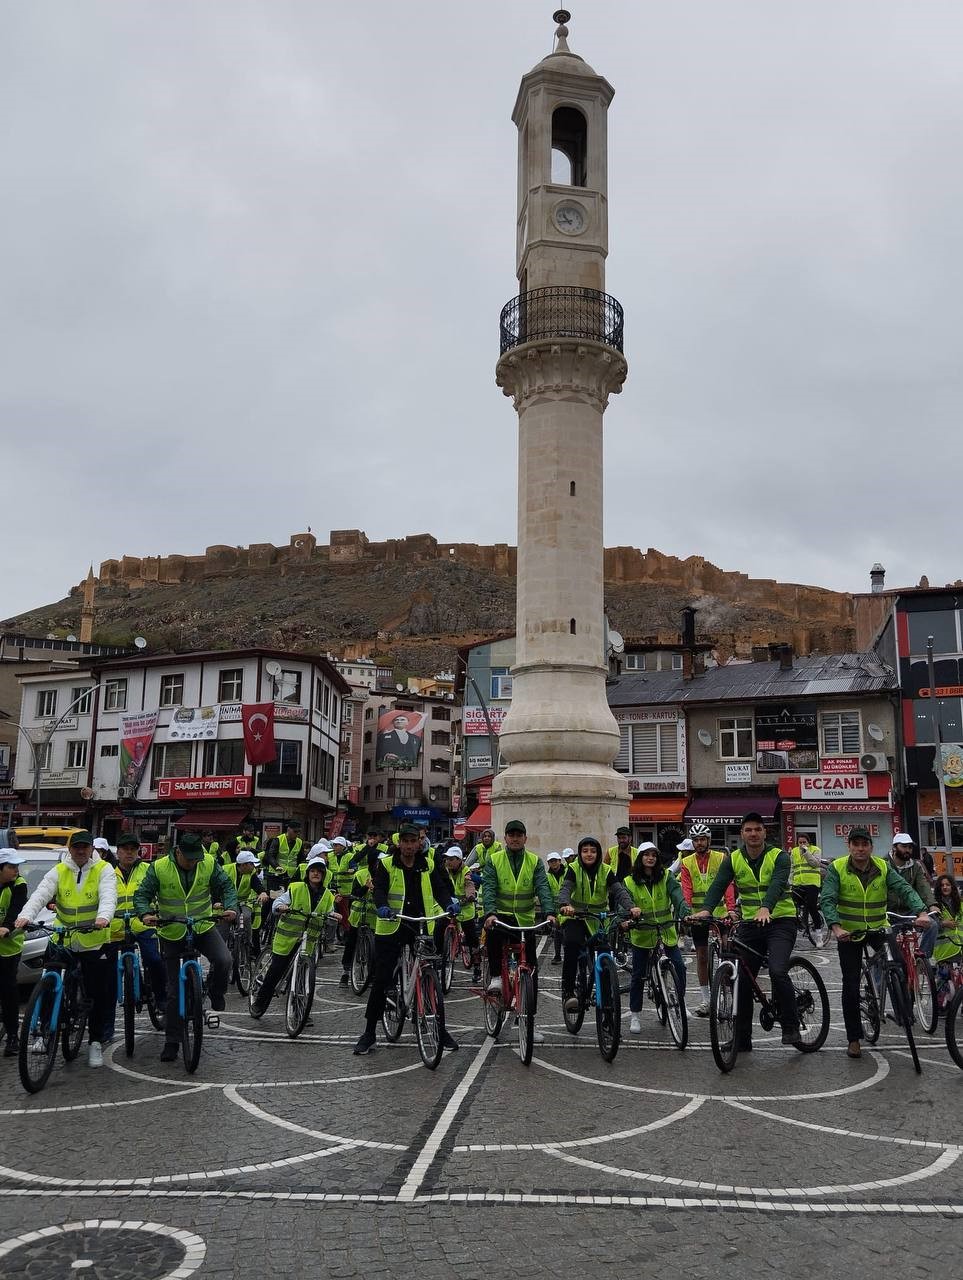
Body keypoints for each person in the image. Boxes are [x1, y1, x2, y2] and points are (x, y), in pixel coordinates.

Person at [693, 812, 801, 1050]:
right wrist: (706, 910)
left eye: (758, 829)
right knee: (741, 979)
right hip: (752, 924)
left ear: (765, 832)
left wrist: (766, 907)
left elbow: (777, 884)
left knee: (777, 970)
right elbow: (719, 884)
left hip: (781, 920)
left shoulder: (779, 856)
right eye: (748, 830)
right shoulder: (734, 859)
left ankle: (791, 1026)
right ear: (742, 834)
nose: (753, 834)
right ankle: (742, 1039)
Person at [820, 827, 929, 1058]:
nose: (860, 849)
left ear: (871, 846)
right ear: (848, 846)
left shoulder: (882, 866)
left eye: (865, 844)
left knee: (898, 966)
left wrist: (921, 911)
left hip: (879, 928)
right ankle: (854, 1038)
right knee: (850, 984)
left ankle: (904, 1013)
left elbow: (904, 888)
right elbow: (827, 899)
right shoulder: (837, 868)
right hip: (849, 933)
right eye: (856, 844)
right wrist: (836, 927)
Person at [353, 823, 458, 1056]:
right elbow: (379, 890)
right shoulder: (387, 863)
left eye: (414, 841)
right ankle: (369, 1033)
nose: (410, 846)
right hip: (392, 925)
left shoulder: (428, 864)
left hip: (420, 923)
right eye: (406, 841)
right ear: (399, 843)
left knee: (430, 973)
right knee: (381, 979)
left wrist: (448, 903)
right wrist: (381, 906)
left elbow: (439, 888)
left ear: (419, 843)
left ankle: (438, 1028)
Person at [15, 830, 117, 1068]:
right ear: (70, 849)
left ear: (92, 849)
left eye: (85, 847)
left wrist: (103, 916)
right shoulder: (59, 870)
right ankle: (42, 1032)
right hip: (63, 938)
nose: (80, 851)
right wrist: (24, 917)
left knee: (97, 993)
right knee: (48, 982)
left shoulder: (104, 870)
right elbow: (40, 895)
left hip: (94, 938)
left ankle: (94, 1042)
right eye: (76, 847)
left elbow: (108, 896)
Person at [135, 832, 238, 1062]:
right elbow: (142, 895)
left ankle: (215, 992)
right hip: (172, 930)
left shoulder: (208, 862)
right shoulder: (159, 867)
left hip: (202, 925)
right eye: (189, 858)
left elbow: (227, 887)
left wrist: (231, 907)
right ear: (178, 852)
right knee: (174, 990)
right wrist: (146, 913)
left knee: (224, 960)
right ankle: (172, 1041)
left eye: (196, 858)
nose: (193, 862)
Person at [482, 821, 556, 1036]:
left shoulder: (534, 861)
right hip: (502, 918)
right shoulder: (494, 860)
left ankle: (529, 1020)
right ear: (505, 838)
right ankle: (496, 977)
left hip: (525, 920)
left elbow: (543, 887)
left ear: (525, 838)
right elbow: (489, 888)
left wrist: (550, 912)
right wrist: (490, 913)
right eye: (511, 835)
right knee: (494, 936)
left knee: (530, 968)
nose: (515, 839)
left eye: (519, 835)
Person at [559, 836, 635, 1016]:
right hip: (575, 917)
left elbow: (619, 891)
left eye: (593, 851)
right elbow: (565, 889)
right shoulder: (573, 868)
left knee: (605, 957)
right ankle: (568, 991)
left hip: (598, 919)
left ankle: (608, 1009)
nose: (589, 854)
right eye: (585, 851)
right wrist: (564, 904)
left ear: (599, 853)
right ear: (579, 853)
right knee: (571, 945)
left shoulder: (606, 870)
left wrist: (631, 907)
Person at [103, 834, 167, 1044]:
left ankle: (161, 999)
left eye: (133, 849)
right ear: (118, 852)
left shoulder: (148, 870)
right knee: (108, 978)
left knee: (154, 959)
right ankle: (107, 1026)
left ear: (138, 851)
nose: (129, 852)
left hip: (143, 925)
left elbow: (159, 893)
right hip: (114, 929)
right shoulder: (107, 873)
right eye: (125, 849)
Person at [250, 855, 334, 1017]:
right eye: (313, 871)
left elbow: (330, 911)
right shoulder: (296, 888)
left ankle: (300, 1011)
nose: (315, 874)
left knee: (304, 976)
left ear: (324, 875)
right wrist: (281, 906)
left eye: (319, 872)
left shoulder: (328, 895)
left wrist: (333, 915)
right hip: (286, 940)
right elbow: (278, 902)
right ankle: (260, 1001)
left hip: (307, 942)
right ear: (308, 873)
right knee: (276, 970)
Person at [622, 842, 689, 1033]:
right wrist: (626, 918)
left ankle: (679, 1002)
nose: (650, 858)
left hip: (666, 931)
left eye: (654, 855)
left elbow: (677, 896)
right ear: (640, 858)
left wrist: (684, 912)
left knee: (679, 966)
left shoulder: (666, 876)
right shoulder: (629, 881)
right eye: (646, 855)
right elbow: (625, 903)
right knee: (638, 975)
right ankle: (635, 1015)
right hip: (642, 934)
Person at [679, 823, 736, 1015]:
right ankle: (705, 1000)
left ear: (709, 840)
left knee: (726, 955)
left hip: (721, 914)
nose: (699, 843)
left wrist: (731, 909)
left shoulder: (722, 858)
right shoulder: (686, 863)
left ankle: (727, 997)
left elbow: (728, 885)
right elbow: (686, 889)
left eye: (702, 839)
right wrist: (686, 912)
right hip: (698, 917)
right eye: (696, 840)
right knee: (702, 957)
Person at [887, 833, 938, 958]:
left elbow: (923, 887)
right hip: (888, 913)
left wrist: (932, 905)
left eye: (910, 847)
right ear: (894, 847)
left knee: (933, 925)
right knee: (884, 951)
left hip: (909, 911)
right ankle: (881, 975)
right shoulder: (883, 864)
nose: (907, 850)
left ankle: (922, 959)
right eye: (903, 846)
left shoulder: (915, 867)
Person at [0, 848, 28, 1056]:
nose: (16, 871)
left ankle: (12, 1036)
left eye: (17, 866)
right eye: (11, 867)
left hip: (9, 946)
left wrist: (7, 926)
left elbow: (16, 908)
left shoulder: (19, 885)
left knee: (8, 988)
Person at [445, 847, 480, 983]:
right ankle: (443, 963)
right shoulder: (445, 871)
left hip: (465, 909)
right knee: (442, 932)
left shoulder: (466, 872)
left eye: (452, 859)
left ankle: (477, 967)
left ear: (459, 860)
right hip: (450, 908)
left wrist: (470, 896)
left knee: (472, 939)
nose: (449, 862)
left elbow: (469, 885)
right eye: (447, 859)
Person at [222, 850, 270, 951]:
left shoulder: (251, 873)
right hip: (226, 902)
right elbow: (217, 887)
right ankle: (222, 947)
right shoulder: (226, 870)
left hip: (243, 902)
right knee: (224, 924)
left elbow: (257, 884)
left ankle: (248, 943)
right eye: (251, 864)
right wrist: (217, 901)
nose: (254, 866)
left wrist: (262, 892)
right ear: (243, 865)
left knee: (247, 916)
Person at [790, 833, 826, 948]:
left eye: (804, 842)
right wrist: (790, 881)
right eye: (800, 842)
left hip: (812, 883)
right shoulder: (794, 851)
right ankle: (798, 924)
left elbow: (815, 864)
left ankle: (819, 935)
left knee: (812, 907)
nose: (801, 844)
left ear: (808, 842)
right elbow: (792, 867)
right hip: (797, 883)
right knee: (791, 906)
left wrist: (806, 852)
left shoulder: (815, 850)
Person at [932, 873, 963, 1007]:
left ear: (952, 887)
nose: (945, 887)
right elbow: (929, 925)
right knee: (944, 979)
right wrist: (943, 923)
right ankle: (942, 1007)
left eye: (948, 885)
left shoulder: (960, 904)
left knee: (960, 980)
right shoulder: (934, 906)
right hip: (944, 949)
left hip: (960, 946)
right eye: (942, 885)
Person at [544, 851, 566, 964]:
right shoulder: (547, 876)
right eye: (551, 861)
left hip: (567, 910)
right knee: (557, 934)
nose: (553, 863)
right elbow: (547, 894)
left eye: (555, 861)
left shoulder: (567, 872)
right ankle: (557, 955)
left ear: (559, 861)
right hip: (555, 911)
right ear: (548, 863)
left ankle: (568, 956)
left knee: (567, 935)